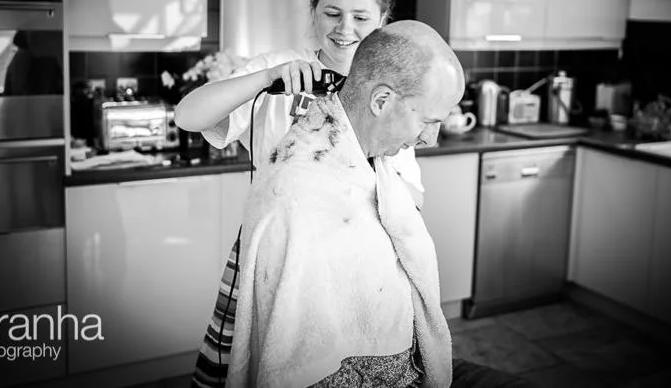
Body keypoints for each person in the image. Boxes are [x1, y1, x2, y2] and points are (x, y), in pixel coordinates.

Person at [227, 21, 533, 387]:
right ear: (381, 100)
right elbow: (301, 366)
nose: (432, 139)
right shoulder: (294, 198)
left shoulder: (373, 162)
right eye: (429, 120)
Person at [177, 0, 424, 387]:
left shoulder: (390, 95)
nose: (344, 29)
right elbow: (188, 116)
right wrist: (264, 77)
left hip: (357, 264)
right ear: (314, 12)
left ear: (382, 21)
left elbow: (410, 198)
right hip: (277, 257)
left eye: (360, 17)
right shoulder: (276, 71)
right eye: (332, 12)